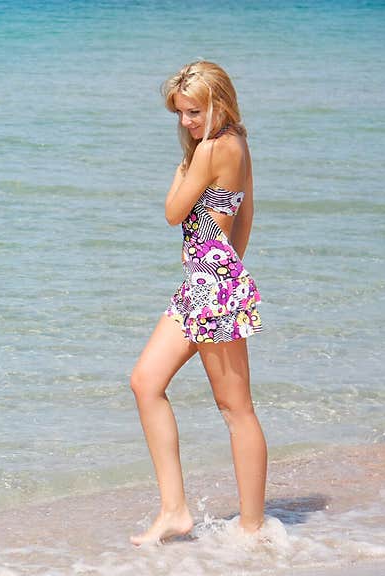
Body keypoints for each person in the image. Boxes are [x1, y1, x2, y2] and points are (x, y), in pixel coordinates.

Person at [129, 61, 268, 545]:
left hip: (210, 286)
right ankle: (175, 510)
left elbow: (172, 213)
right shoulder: (239, 143)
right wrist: (227, 270)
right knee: (146, 381)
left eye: (193, 111)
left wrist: (182, 164)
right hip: (206, 283)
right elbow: (246, 214)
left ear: (219, 103)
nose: (185, 122)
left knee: (236, 409)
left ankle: (252, 529)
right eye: (179, 114)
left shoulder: (209, 150)